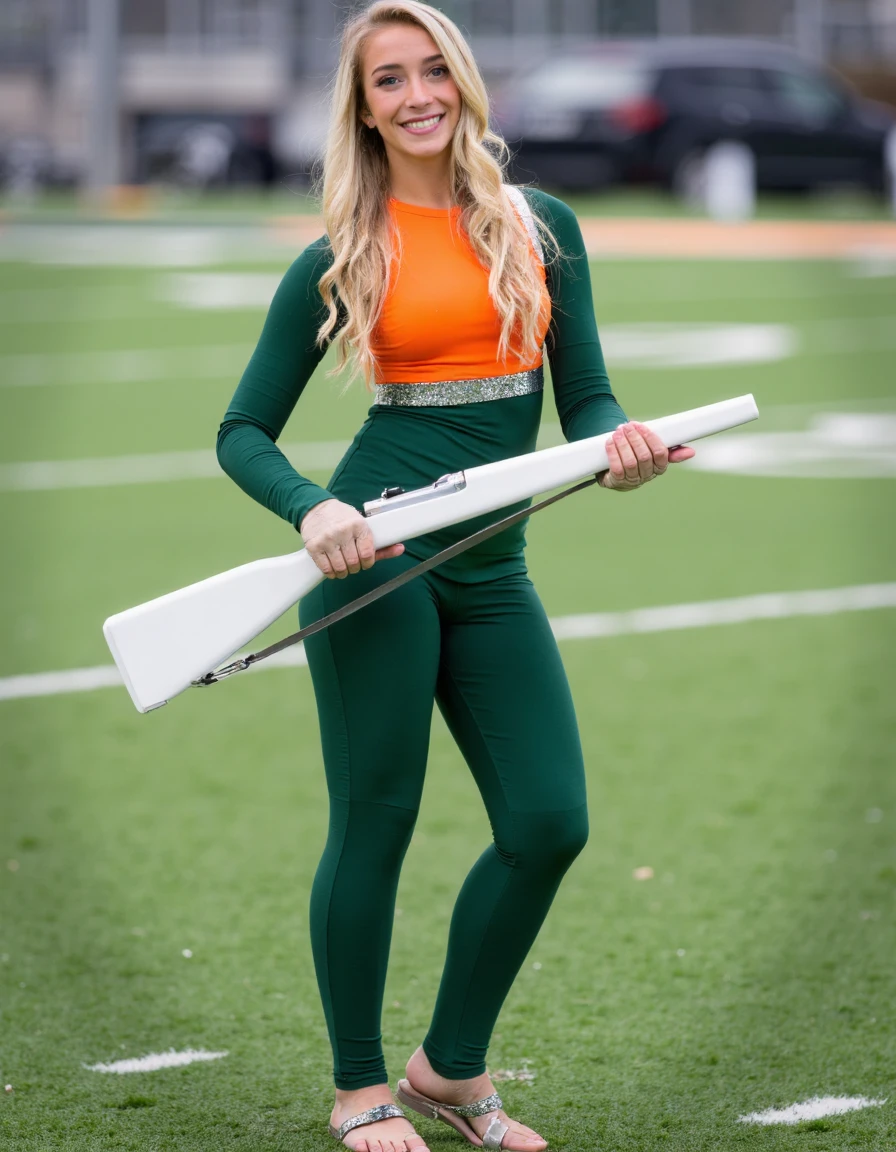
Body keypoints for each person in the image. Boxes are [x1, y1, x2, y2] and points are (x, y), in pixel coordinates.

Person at [216, 3, 694, 1150]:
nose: (418, 94)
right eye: (390, 80)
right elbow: (242, 432)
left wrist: (615, 446)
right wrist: (314, 507)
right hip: (374, 555)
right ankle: (359, 1089)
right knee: (373, 823)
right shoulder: (342, 248)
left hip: (494, 562)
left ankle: (447, 1070)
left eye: (435, 69)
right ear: (363, 107)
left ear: (465, 83)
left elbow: (582, 393)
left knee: (548, 819)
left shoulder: (541, 225)